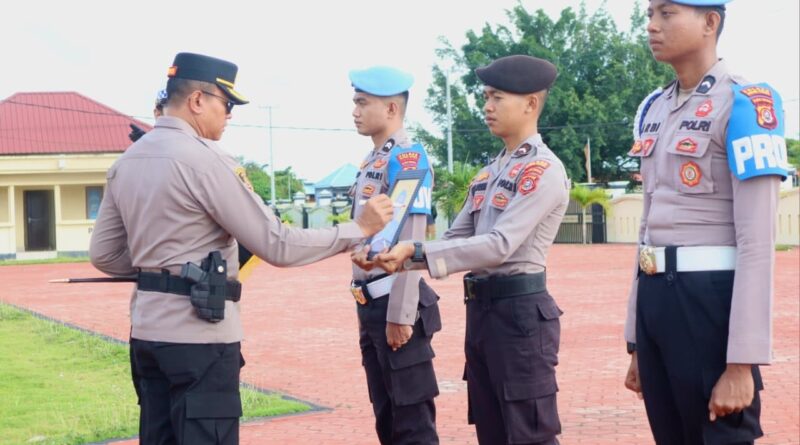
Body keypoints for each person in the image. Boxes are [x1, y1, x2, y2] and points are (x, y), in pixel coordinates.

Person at [89, 52, 393, 445]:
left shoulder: (127, 161)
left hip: (147, 332)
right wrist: (358, 229)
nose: (229, 115)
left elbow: (105, 255)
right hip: (200, 338)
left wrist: (160, 270)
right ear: (197, 100)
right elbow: (277, 244)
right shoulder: (205, 161)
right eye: (226, 104)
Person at [367, 55, 570, 445]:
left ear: (530, 104)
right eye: (486, 97)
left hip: (520, 317)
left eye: (497, 98)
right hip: (482, 313)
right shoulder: (489, 173)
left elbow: (500, 245)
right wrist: (400, 255)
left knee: (529, 433)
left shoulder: (542, 170)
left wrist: (415, 253)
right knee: (491, 431)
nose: (487, 106)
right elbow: (455, 237)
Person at [623, 1, 790, 443]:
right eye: (649, 14)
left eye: (666, 13)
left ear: (710, 22)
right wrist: (636, 340)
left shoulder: (746, 103)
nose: (651, 26)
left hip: (709, 305)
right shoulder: (654, 108)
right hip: (657, 302)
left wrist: (741, 363)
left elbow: (757, 242)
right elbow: (647, 227)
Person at [347, 66, 441, 444]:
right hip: (370, 304)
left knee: (412, 426)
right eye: (355, 102)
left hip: (395, 303)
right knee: (387, 421)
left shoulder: (407, 159)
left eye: (362, 102)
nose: (354, 111)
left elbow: (411, 240)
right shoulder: (373, 160)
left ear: (391, 109)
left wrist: (400, 314)